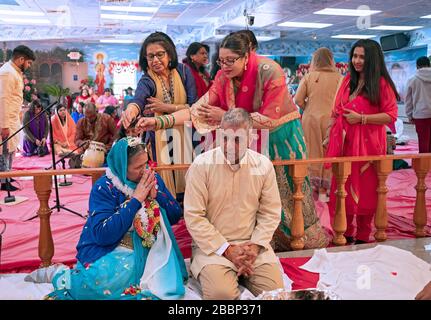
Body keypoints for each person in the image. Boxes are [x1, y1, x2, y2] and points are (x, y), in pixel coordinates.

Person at [130, 32, 329, 251]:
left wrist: (223, 115)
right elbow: (197, 110)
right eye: (221, 61)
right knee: (251, 192)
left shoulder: (270, 71)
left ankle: (291, 240)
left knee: (285, 193)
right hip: (245, 139)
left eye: (230, 60)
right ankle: (258, 241)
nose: (224, 66)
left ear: (246, 57)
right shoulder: (223, 77)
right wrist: (157, 123)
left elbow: (269, 120)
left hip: (280, 138)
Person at [45, 137, 187, 300]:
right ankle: (63, 276)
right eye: (138, 167)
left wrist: (157, 196)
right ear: (122, 167)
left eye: (146, 163)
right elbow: (103, 235)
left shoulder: (150, 179)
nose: (145, 170)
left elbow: (175, 215)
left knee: (160, 281)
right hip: (114, 248)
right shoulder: (105, 187)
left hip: (151, 248)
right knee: (99, 283)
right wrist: (136, 200)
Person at [184, 109, 284, 299]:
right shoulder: (201, 165)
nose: (230, 145)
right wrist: (227, 250)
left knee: (275, 294)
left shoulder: (263, 166)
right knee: (221, 295)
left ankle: (244, 270)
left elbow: (270, 213)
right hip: (213, 249)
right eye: (225, 138)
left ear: (251, 137)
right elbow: (194, 216)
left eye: (237, 139)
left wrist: (254, 247)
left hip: (253, 247)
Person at [325, 39, 399, 244]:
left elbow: (391, 115)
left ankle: (364, 234)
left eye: (362, 57)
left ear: (372, 60)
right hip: (344, 145)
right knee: (342, 187)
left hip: (369, 147)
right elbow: (335, 112)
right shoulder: (348, 80)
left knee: (366, 190)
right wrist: (329, 135)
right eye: (354, 56)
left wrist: (362, 119)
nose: (356, 61)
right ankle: (345, 231)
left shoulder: (381, 84)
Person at [123, 31, 197, 198]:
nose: (155, 60)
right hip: (158, 139)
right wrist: (131, 109)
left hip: (185, 134)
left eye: (160, 54)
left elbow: (194, 107)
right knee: (164, 181)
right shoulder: (147, 80)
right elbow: (139, 99)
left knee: (188, 177)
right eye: (150, 57)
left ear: (169, 54)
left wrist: (166, 107)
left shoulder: (184, 72)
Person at [294, 48, 343, 202]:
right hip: (333, 120)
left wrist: (309, 107)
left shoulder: (309, 77)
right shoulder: (340, 78)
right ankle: (325, 190)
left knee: (312, 150)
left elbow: (297, 100)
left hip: (311, 119)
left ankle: (314, 187)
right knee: (330, 152)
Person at [0, 45, 35, 191]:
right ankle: (4, 180)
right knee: (5, 149)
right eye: (28, 63)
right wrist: (4, 125)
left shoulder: (14, 71)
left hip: (13, 118)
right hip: (5, 119)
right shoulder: (7, 72)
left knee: (11, 148)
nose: (28, 66)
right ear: (21, 59)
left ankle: (7, 175)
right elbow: (2, 99)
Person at [405, 56, 431, 153]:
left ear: (417, 66)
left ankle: (424, 166)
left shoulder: (412, 80)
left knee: (423, 141)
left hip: (420, 115)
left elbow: (408, 100)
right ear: (429, 64)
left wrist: (409, 115)